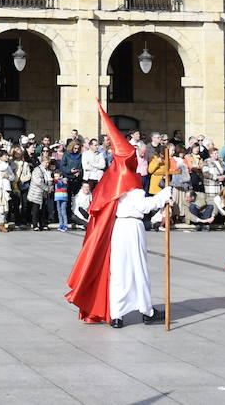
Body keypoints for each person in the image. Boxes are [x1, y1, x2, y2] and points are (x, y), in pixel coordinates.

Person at [67, 104, 169, 328]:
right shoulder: (131, 180)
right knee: (138, 268)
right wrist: (165, 195)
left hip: (117, 230)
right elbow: (142, 206)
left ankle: (117, 314)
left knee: (119, 271)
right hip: (132, 227)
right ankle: (146, 310)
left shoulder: (111, 179)